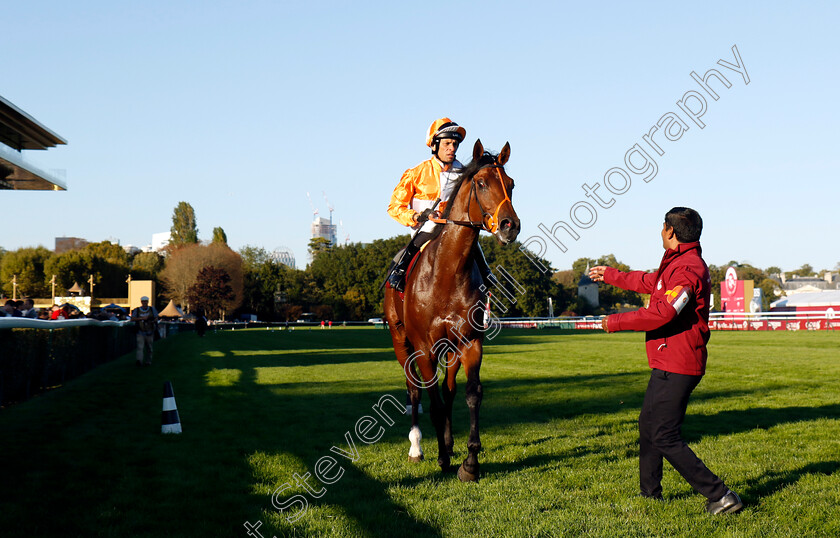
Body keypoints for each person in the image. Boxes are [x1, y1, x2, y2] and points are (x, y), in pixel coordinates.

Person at [588, 207, 742, 515]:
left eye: (661, 228)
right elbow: (650, 282)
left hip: (679, 363)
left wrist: (614, 322)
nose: (660, 232)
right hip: (668, 360)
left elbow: (664, 312)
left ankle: (721, 495)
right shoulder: (677, 262)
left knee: (663, 433)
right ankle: (650, 494)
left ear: (669, 231)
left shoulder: (688, 269)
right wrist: (610, 275)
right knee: (648, 425)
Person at [386, 117, 496, 292]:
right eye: (447, 144)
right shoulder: (416, 173)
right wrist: (416, 216)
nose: (452, 148)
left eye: (455, 144)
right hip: (426, 227)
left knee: (472, 241)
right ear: (434, 145)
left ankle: (486, 272)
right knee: (426, 232)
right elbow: (394, 207)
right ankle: (398, 271)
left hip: (456, 226)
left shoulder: (464, 173)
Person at [131, 296, 159, 366]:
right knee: (140, 347)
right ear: (141, 302)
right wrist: (141, 318)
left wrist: (150, 320)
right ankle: (139, 360)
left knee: (149, 347)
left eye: (146, 301)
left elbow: (156, 318)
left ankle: (148, 361)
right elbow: (132, 319)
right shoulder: (137, 310)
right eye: (143, 302)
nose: (144, 303)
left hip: (150, 331)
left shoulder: (152, 309)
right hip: (140, 331)